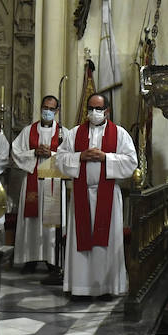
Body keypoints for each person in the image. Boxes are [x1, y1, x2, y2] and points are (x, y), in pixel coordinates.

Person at [55, 93, 138, 298]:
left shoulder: (119, 134)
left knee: (106, 241)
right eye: (90, 109)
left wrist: (105, 157)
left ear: (107, 111)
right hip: (82, 195)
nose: (94, 113)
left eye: (98, 109)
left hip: (108, 196)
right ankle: (80, 286)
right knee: (80, 241)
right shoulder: (75, 133)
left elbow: (130, 161)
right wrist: (80, 156)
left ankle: (106, 287)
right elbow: (59, 159)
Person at [11, 94, 65, 273]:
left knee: (51, 221)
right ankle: (30, 259)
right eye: (45, 108)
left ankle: (53, 259)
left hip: (53, 179)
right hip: (33, 180)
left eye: (51, 109)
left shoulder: (64, 132)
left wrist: (52, 154)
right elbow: (16, 151)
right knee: (32, 221)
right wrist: (34, 152)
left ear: (57, 111)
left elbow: (70, 157)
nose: (47, 112)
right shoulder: (29, 130)